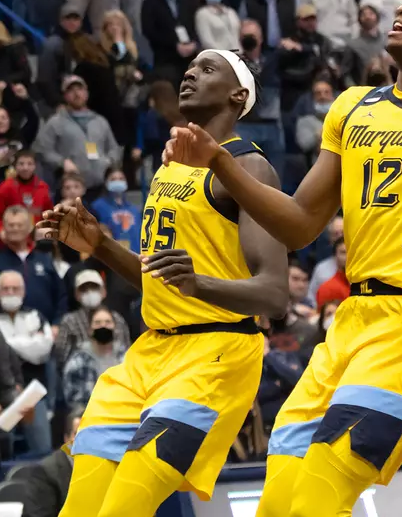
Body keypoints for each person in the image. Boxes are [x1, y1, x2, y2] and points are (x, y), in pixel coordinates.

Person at [163, 0, 402, 517]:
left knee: (319, 491)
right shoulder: (352, 107)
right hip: (349, 325)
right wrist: (222, 162)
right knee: (278, 504)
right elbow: (299, 226)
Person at [38, 50, 287, 516]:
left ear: (238, 96)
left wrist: (200, 285)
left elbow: (275, 294)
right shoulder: (170, 165)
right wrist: (102, 245)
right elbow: (163, 279)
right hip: (148, 354)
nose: (190, 72)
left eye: (207, 68)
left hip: (214, 356)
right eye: (189, 66)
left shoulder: (249, 168)